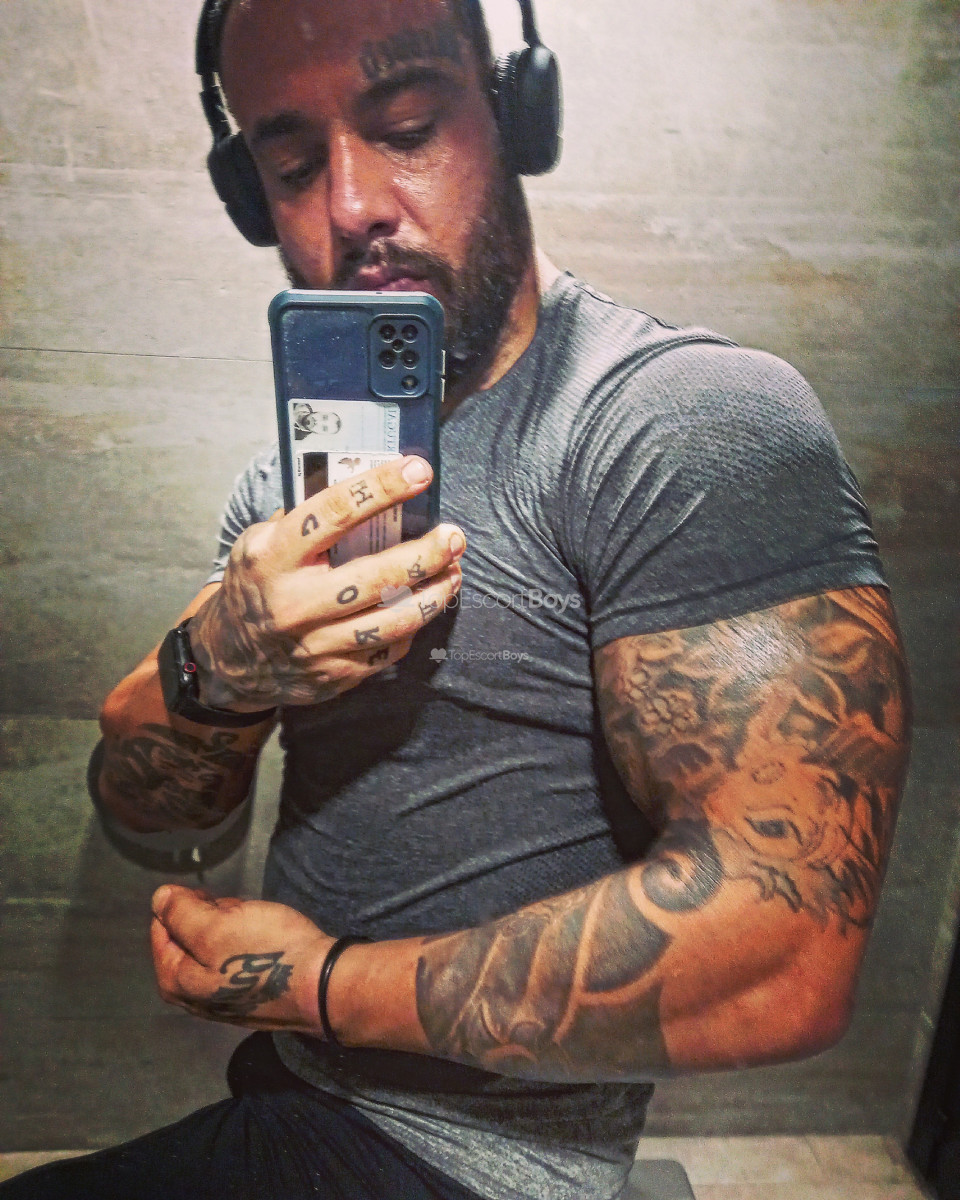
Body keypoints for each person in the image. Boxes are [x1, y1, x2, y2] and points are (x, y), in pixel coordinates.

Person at [3, 0, 911, 1197]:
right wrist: (214, 666)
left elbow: (784, 954)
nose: (352, 205)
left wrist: (317, 986)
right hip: (291, 1098)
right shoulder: (291, 487)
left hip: (475, 1168)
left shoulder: (675, 422)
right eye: (292, 166)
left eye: (408, 126)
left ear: (515, 113)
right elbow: (157, 817)